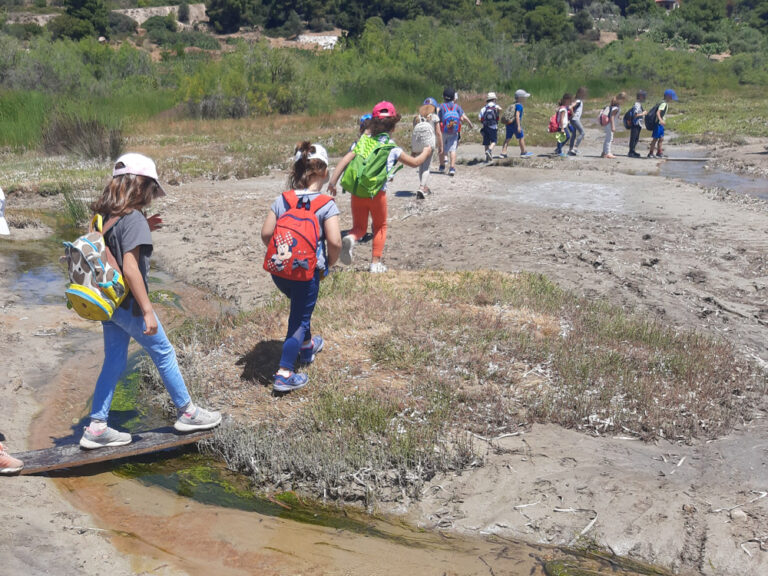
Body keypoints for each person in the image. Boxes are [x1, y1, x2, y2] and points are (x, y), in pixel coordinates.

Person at [81, 153, 221, 449]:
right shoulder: (133, 219)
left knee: (114, 360)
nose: (152, 196)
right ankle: (188, 412)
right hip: (130, 305)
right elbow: (131, 270)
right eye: (152, 189)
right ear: (140, 186)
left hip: (109, 304)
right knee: (164, 352)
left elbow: (113, 246)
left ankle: (97, 427)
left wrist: (145, 227)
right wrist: (147, 311)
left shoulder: (105, 216)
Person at [261, 143, 341, 393]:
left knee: (300, 309)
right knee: (299, 319)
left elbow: (266, 234)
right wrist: (329, 262)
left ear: (296, 171)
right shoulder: (326, 204)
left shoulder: (282, 200)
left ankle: (306, 347)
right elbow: (335, 242)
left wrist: (282, 254)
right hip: (307, 273)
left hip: (280, 272)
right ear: (324, 172)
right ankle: (285, 373)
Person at [329, 101, 432, 273]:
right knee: (380, 227)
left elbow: (345, 160)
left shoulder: (361, 142)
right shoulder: (392, 147)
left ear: (372, 123)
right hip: (377, 195)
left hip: (358, 193)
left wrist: (333, 183)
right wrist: (426, 152)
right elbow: (415, 163)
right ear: (393, 127)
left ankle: (351, 239)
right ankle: (375, 263)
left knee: (359, 228)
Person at [438, 88, 474, 176]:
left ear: (444, 97)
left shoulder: (441, 106)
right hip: (454, 132)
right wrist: (470, 123)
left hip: (443, 131)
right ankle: (452, 168)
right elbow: (464, 116)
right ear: (454, 97)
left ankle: (442, 166)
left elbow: (437, 117)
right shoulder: (457, 107)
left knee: (441, 148)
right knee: (453, 150)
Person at [412, 97, 443, 199]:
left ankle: (424, 187)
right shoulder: (434, 117)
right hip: (429, 144)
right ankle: (421, 188)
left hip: (418, 144)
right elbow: (438, 133)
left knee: (421, 166)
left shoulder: (416, 118)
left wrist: (413, 149)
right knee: (426, 167)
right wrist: (441, 146)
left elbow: (414, 134)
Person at [501, 89, 533, 158]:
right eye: (524, 97)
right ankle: (523, 152)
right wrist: (518, 126)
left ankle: (503, 153)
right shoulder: (519, 106)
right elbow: (517, 116)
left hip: (509, 124)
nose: (525, 99)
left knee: (507, 138)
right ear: (520, 98)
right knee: (521, 137)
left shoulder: (513, 104)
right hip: (515, 124)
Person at [649, 89, 678, 158]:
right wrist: (661, 120)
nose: (672, 99)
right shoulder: (663, 104)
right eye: (671, 97)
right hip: (658, 124)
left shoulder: (664, 103)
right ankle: (650, 153)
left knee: (661, 138)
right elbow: (658, 112)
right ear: (668, 96)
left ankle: (659, 152)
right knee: (655, 139)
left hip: (660, 124)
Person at [601, 91, 626, 159]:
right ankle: (608, 153)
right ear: (621, 100)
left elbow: (613, 115)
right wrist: (613, 126)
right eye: (623, 100)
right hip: (609, 124)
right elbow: (612, 116)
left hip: (607, 124)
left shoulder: (614, 106)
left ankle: (604, 152)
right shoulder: (616, 108)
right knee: (609, 139)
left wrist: (618, 117)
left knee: (607, 138)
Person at [478, 92, 501, 162]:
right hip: (493, 127)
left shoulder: (484, 108)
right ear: (494, 99)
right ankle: (489, 150)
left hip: (485, 127)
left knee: (486, 143)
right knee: (494, 141)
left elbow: (479, 118)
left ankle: (487, 159)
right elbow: (500, 109)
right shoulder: (496, 106)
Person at [568, 86, 587, 156]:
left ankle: (570, 149)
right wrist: (573, 114)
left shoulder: (576, 100)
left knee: (574, 134)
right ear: (581, 94)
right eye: (584, 94)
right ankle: (575, 148)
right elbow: (570, 107)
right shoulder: (578, 101)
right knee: (582, 133)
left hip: (572, 119)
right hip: (575, 119)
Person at [628, 90, 647, 158]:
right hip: (635, 123)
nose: (645, 97)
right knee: (633, 138)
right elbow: (635, 115)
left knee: (636, 138)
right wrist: (643, 113)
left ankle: (633, 151)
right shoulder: (637, 105)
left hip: (638, 124)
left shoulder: (639, 104)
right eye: (643, 96)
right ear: (640, 96)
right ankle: (631, 152)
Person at [555, 93, 572, 158]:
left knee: (562, 138)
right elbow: (561, 119)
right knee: (565, 137)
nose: (570, 102)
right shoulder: (563, 109)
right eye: (569, 101)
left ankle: (558, 149)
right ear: (566, 100)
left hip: (562, 126)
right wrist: (562, 128)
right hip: (561, 126)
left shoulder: (563, 108)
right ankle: (559, 151)